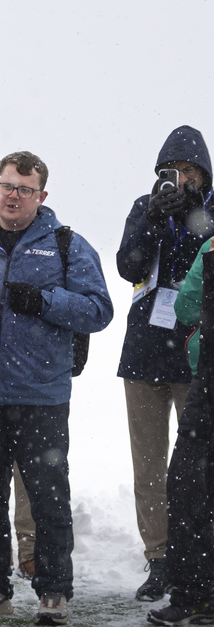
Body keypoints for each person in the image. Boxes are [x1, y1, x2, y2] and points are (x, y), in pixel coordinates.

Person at [0, 152, 113, 626]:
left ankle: (53, 590)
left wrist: (44, 300)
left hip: (42, 394)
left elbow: (99, 310)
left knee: (48, 495)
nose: (11, 196)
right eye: (6, 186)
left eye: (24, 189)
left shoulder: (68, 244)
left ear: (41, 196)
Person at [115, 125, 214, 601]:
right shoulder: (145, 205)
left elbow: (207, 263)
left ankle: (198, 561)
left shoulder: (212, 209)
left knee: (197, 464)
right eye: (171, 172)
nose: (181, 179)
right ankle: (160, 559)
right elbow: (128, 267)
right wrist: (153, 218)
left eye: (190, 171)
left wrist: (195, 215)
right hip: (145, 350)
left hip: (197, 352)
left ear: (205, 173)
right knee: (149, 466)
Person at [148, 242, 214, 625]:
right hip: (205, 385)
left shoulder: (210, 247)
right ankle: (196, 594)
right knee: (188, 487)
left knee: (188, 486)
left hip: (206, 386)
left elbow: (186, 307)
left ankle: (194, 593)